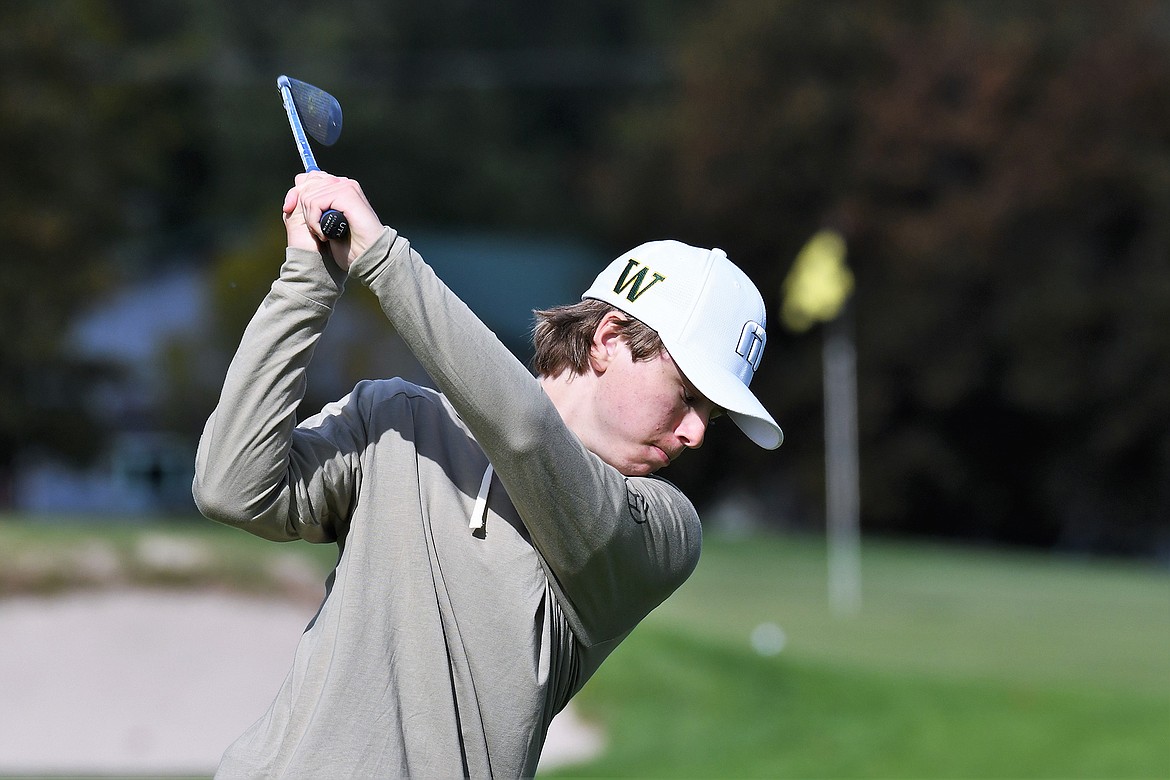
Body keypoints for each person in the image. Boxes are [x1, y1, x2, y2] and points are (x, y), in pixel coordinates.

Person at [192, 171, 782, 778]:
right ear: (607, 341)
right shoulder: (394, 421)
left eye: (711, 413)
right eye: (686, 395)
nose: (697, 432)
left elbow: (525, 432)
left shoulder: (664, 533)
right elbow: (230, 488)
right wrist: (307, 279)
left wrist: (383, 258)